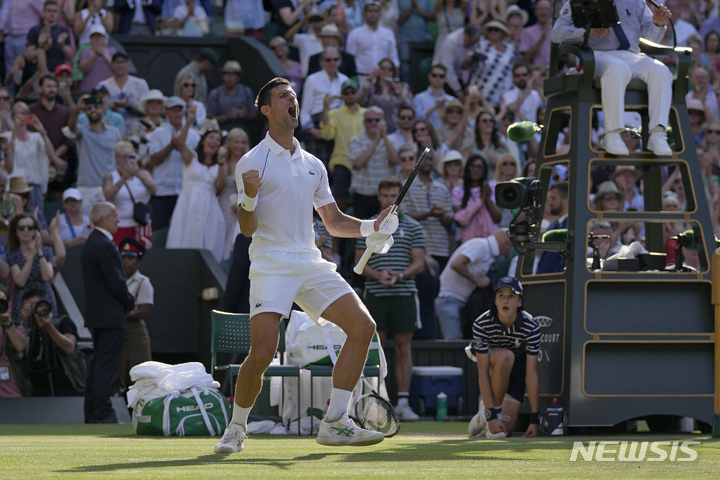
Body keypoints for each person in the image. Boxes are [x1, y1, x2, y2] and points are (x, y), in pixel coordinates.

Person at [214, 77, 392, 454]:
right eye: (283, 96)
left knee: (363, 327)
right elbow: (247, 229)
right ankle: (236, 428)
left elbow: (334, 222)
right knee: (262, 353)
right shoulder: (251, 162)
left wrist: (371, 226)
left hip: (310, 261)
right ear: (266, 109)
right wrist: (249, 197)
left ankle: (335, 422)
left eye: (293, 95)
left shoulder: (314, 164)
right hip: (271, 264)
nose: (291, 100)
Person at [551, 0, 673, 156]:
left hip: (631, 55)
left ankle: (657, 134)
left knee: (661, 71)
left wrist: (657, 24)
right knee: (617, 68)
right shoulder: (579, 1)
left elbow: (650, 38)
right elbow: (556, 34)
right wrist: (587, 31)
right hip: (595, 55)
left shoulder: (637, 2)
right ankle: (612, 134)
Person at [355, 178, 425, 422]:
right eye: (385, 196)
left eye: (393, 195)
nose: (389, 200)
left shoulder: (414, 227)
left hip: (405, 294)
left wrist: (399, 275)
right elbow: (359, 262)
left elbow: (419, 262)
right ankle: (376, 402)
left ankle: (403, 403)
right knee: (376, 349)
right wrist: (378, 275)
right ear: (379, 197)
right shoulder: (368, 225)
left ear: (399, 197)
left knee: (404, 348)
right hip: (375, 295)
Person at [466, 276, 541, 438]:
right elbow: (483, 372)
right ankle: (491, 413)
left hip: (516, 367)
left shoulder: (531, 327)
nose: (505, 301)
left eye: (511, 296)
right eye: (501, 295)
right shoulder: (481, 323)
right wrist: (493, 416)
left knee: (506, 430)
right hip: (486, 360)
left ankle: (482, 415)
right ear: (495, 300)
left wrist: (534, 420)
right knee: (506, 356)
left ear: (520, 302)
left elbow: (531, 374)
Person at [81, 202, 135, 423]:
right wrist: (130, 302)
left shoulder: (91, 243)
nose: (118, 220)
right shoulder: (105, 245)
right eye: (114, 216)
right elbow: (116, 282)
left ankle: (93, 411)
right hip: (110, 316)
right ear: (104, 219)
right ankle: (103, 413)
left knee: (98, 363)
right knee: (106, 365)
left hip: (98, 315)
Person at [165, 115, 227, 263]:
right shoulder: (191, 158)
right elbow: (180, 143)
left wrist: (221, 162)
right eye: (211, 138)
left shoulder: (219, 165)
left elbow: (220, 185)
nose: (214, 142)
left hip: (209, 208)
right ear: (203, 140)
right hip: (188, 204)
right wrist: (188, 121)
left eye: (218, 140)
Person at [435, 228, 512, 339]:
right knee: (454, 344)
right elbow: (456, 264)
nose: (508, 251)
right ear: (506, 243)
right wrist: (476, 280)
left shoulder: (487, 251)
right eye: (510, 247)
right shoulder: (481, 245)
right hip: (450, 300)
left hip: (462, 303)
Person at [147, 96, 201, 230]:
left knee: (185, 229)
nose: (177, 114)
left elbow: (198, 162)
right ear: (166, 112)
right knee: (159, 229)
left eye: (179, 110)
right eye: (173, 111)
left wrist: (181, 146)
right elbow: (153, 161)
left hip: (185, 189)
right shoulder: (157, 134)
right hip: (163, 192)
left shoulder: (194, 135)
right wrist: (171, 146)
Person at [398, 147, 454, 271]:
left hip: (440, 246)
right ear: (416, 161)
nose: (427, 162)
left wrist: (441, 214)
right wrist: (430, 213)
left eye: (430, 159)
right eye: (424, 159)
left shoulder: (442, 188)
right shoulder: (406, 186)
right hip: (414, 246)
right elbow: (403, 216)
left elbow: (449, 220)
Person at [68, 94, 123, 215]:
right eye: (89, 108)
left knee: (110, 222)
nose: (93, 110)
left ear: (103, 110)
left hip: (109, 186)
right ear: (85, 112)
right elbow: (71, 128)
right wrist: (77, 109)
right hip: (87, 187)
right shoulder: (82, 130)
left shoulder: (115, 132)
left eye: (97, 107)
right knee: (87, 223)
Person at [22, 287, 82, 396]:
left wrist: (49, 327)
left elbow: (69, 348)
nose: (35, 310)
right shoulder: (31, 331)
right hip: (38, 391)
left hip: (65, 388)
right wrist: (24, 323)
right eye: (30, 307)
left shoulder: (62, 321)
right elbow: (26, 355)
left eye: (37, 305)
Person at [321, 79, 366, 213]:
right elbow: (327, 135)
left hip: (363, 161)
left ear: (357, 93)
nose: (350, 95)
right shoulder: (334, 113)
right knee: (340, 202)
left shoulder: (366, 114)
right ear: (342, 94)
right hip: (342, 161)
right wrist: (325, 109)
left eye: (353, 92)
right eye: (347, 93)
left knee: (362, 201)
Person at [4, 102, 57, 211]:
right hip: (14, 185)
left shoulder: (36, 137)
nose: (21, 116)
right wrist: (14, 130)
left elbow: (51, 153)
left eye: (24, 113)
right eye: (18, 113)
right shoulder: (7, 137)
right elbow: (10, 156)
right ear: (12, 116)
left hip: (34, 185)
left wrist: (42, 130)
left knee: (36, 215)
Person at [102, 141, 157, 247]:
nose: (127, 160)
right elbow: (108, 195)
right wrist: (123, 178)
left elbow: (154, 190)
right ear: (116, 158)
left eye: (131, 157)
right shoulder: (110, 176)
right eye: (124, 157)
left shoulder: (144, 174)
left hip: (141, 225)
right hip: (120, 225)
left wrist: (137, 173)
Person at [348, 106, 399, 219]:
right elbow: (359, 163)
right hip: (363, 196)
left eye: (377, 120)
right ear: (364, 123)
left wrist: (384, 137)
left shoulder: (391, 140)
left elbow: (396, 160)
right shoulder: (356, 141)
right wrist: (376, 140)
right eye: (369, 120)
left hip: (386, 196)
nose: (373, 123)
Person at [6, 213, 57, 325]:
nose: (26, 230)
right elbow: (20, 281)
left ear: (35, 231)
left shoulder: (46, 251)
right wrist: (31, 256)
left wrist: (39, 251)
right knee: (23, 332)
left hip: (44, 298)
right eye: (21, 228)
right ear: (16, 232)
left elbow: (47, 276)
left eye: (30, 227)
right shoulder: (12, 254)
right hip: (22, 301)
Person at [117, 236, 153, 389]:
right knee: (118, 373)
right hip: (117, 332)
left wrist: (124, 313)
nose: (126, 262)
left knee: (139, 375)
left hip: (134, 334)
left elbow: (143, 311)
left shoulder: (143, 282)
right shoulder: (115, 279)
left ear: (138, 261)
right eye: (123, 257)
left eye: (130, 258)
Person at [452, 154, 502, 245]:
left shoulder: (492, 187)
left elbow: (498, 218)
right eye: (472, 166)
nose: (476, 170)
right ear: (467, 169)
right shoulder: (458, 191)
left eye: (479, 167)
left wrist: (487, 198)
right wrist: (480, 201)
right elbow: (459, 221)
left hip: (489, 242)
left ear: (484, 170)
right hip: (466, 243)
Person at [356, 58, 413, 134]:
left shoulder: (403, 87)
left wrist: (401, 96)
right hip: (374, 129)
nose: (386, 71)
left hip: (397, 131)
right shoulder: (372, 88)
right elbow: (359, 103)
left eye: (389, 69)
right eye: (382, 68)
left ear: (393, 71)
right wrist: (370, 78)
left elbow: (411, 109)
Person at [218, 128, 249, 261]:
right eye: (236, 142)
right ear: (229, 143)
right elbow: (220, 184)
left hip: (240, 205)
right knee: (221, 236)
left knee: (235, 239)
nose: (239, 146)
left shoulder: (248, 162)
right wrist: (221, 160)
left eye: (243, 142)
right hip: (224, 205)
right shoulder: (223, 161)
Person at [346, 1, 399, 78]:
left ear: (380, 14)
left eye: (375, 11)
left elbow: (393, 58)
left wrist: (396, 77)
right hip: (361, 76)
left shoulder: (388, 34)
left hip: (382, 77)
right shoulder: (355, 34)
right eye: (370, 11)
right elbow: (350, 58)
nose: (373, 14)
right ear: (364, 15)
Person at [99, 52, 150, 131]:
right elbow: (98, 110)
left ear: (129, 65)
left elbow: (147, 110)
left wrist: (128, 106)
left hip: (136, 128)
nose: (120, 65)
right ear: (111, 65)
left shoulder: (140, 84)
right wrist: (112, 106)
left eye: (123, 62)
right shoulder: (103, 85)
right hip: (110, 128)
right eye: (116, 62)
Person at [433, 24, 482, 99]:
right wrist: (458, 90)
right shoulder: (451, 40)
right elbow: (447, 68)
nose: (472, 45)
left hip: (461, 77)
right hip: (445, 77)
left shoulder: (475, 42)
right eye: (470, 42)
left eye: (474, 43)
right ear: (465, 35)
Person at [26, 0, 74, 76]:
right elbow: (30, 56)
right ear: (43, 11)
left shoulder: (63, 30)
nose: (52, 14)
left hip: (59, 73)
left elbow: (70, 56)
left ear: (58, 13)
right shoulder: (35, 30)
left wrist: (61, 44)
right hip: (40, 73)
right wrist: (43, 48)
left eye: (55, 11)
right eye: (49, 11)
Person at [207, 61, 257, 133]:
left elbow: (254, 116)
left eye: (233, 74)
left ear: (238, 77)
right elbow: (209, 118)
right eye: (227, 74)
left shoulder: (246, 92)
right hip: (222, 134)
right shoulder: (215, 94)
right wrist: (227, 117)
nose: (230, 78)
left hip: (243, 134)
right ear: (223, 76)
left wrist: (246, 115)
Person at [1, 0, 44, 78]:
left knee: (25, 67)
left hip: (26, 36)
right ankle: (9, 86)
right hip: (10, 36)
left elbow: (44, 14)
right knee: (10, 69)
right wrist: (2, 29)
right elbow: (10, 14)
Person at [0, 286, 29, 397]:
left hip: (11, 393)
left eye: (2, 302)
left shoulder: (15, 326)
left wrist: (7, 323)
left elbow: (20, 346)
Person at [536, 181, 569, 274]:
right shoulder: (553, 225)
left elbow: (563, 263)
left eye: (553, 198)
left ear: (566, 201)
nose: (549, 202)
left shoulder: (571, 227)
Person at [397, 0, 434, 79]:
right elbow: (398, 19)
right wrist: (411, 8)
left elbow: (433, 17)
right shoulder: (399, 1)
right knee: (405, 68)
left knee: (424, 68)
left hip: (424, 39)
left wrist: (418, 9)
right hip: (405, 40)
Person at [413, 65, 457, 130]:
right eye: (434, 75)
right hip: (426, 134)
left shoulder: (451, 100)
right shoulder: (419, 98)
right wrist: (435, 107)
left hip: (446, 134)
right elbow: (416, 119)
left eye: (441, 76)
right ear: (429, 77)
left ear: (445, 79)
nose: (437, 78)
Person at [77, 24, 115, 93]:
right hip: (89, 90)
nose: (97, 39)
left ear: (104, 38)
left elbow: (117, 68)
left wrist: (104, 54)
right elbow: (83, 69)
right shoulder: (85, 52)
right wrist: (95, 56)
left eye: (100, 36)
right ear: (90, 39)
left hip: (108, 90)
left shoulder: (111, 51)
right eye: (94, 36)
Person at [518, 0, 553, 68]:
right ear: (535, 12)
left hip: (554, 71)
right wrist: (542, 38)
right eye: (540, 9)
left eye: (546, 9)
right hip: (535, 71)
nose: (543, 12)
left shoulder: (556, 31)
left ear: (551, 12)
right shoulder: (527, 32)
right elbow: (526, 59)